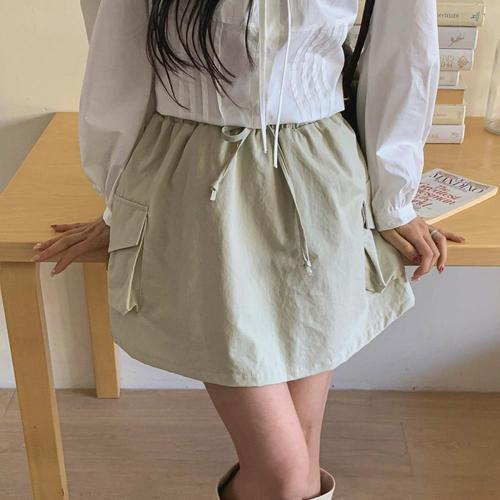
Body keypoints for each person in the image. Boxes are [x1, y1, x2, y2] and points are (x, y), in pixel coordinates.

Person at [32, 0, 466, 498]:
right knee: (285, 474)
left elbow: (404, 54)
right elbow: (118, 63)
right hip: (196, 185)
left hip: (322, 179)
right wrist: (121, 201)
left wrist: (394, 200)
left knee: (302, 456)